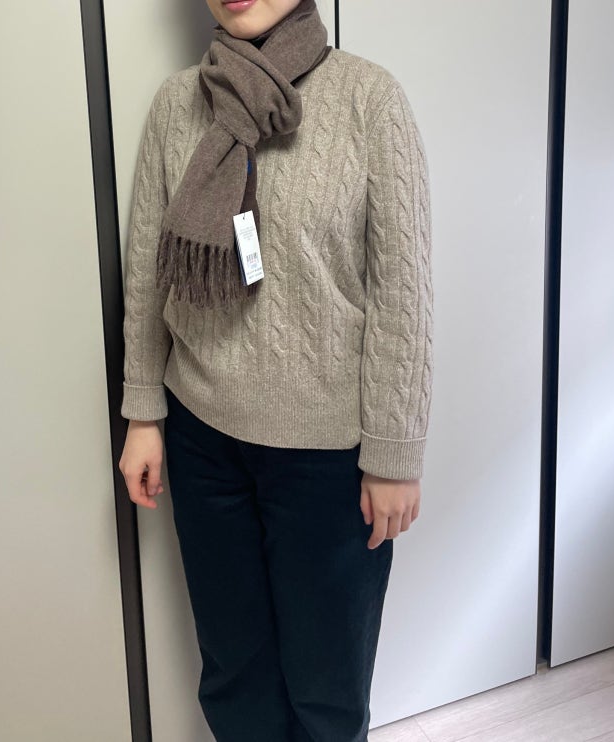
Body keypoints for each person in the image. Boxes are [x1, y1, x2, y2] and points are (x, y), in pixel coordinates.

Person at [118, 0, 434, 740]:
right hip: (202, 439)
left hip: (327, 458)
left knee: (327, 689)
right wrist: (143, 412)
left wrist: (394, 453)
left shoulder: (369, 99)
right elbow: (146, 272)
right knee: (235, 675)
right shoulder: (176, 104)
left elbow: (402, 293)